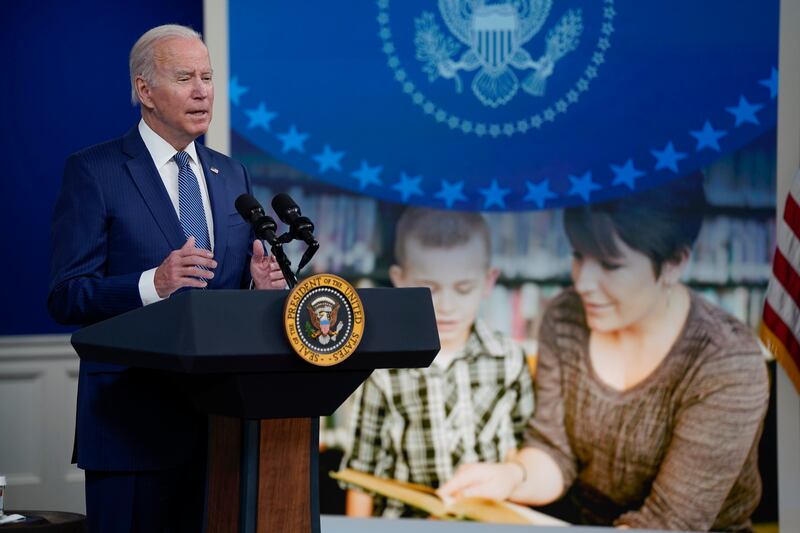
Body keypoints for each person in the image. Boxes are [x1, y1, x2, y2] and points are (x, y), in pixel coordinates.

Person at [47, 24, 285, 532]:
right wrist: (150, 284)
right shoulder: (95, 171)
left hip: (220, 424)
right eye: (184, 77)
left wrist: (260, 293)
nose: (202, 90)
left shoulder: (232, 175)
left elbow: (218, 301)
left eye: (207, 76)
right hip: (130, 426)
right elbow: (67, 296)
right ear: (144, 90)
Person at [438, 175, 770, 531]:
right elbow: (553, 452)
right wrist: (512, 476)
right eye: (579, 256)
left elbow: (670, 522)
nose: (582, 283)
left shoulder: (726, 362)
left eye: (611, 265)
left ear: (674, 263)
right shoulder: (564, 318)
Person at [342, 207, 535, 518]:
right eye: (430, 289)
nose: (446, 306)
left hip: (489, 521)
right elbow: (361, 474)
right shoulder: (381, 370)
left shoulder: (510, 360)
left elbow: (524, 457)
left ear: (489, 281)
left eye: (463, 289)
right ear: (399, 280)